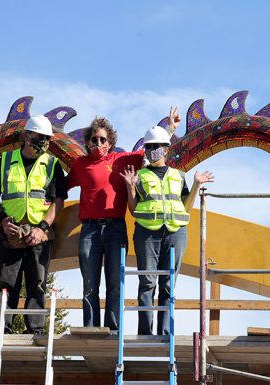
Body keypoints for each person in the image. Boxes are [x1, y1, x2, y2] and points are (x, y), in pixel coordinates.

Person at [67, 108, 181, 332]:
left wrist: (170, 128)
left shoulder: (122, 160)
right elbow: (60, 187)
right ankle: (90, 328)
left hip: (115, 228)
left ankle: (113, 329)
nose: (98, 143)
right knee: (90, 284)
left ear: (110, 142)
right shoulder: (80, 165)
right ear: (88, 142)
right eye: (94, 139)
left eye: (102, 139)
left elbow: (153, 148)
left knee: (114, 284)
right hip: (89, 230)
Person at [121, 124, 214, 335]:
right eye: (149, 146)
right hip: (147, 232)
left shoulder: (178, 176)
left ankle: (165, 333)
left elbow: (186, 206)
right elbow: (134, 210)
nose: (153, 150)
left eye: (157, 146)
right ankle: (145, 332)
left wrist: (197, 184)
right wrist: (129, 186)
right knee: (147, 282)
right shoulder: (140, 176)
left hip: (175, 232)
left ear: (166, 148)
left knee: (168, 283)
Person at [0, 114, 67, 334]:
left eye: (47, 138)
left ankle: (35, 329)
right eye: (39, 137)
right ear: (26, 135)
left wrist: (42, 228)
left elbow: (58, 201)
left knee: (37, 283)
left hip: (39, 233)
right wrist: (2, 219)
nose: (44, 142)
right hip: (11, 231)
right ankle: (4, 328)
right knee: (6, 284)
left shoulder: (52, 164)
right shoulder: (5, 161)